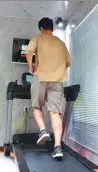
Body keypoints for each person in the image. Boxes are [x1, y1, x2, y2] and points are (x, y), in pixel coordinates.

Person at [26, 17, 71, 159]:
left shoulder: (37, 38)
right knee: (55, 112)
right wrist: (56, 69)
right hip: (57, 81)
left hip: (40, 77)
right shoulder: (61, 43)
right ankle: (57, 147)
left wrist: (31, 66)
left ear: (41, 28)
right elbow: (68, 62)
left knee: (37, 106)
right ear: (52, 29)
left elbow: (28, 52)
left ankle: (43, 130)